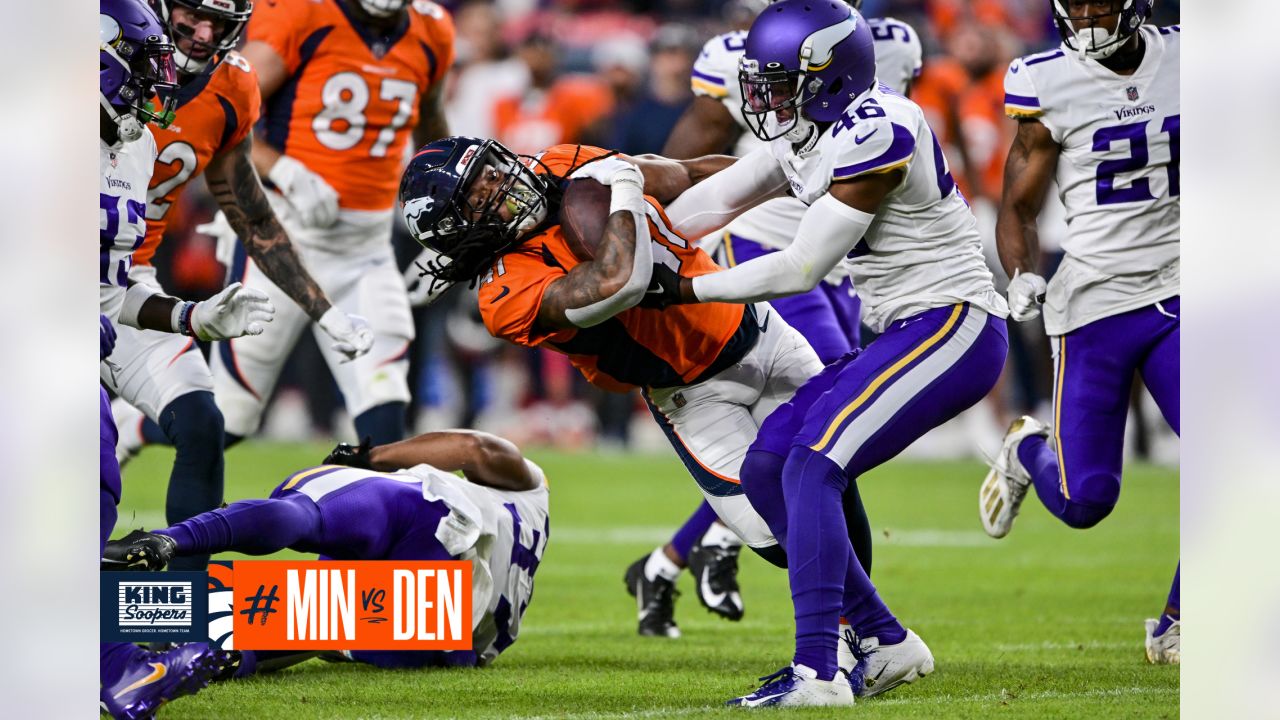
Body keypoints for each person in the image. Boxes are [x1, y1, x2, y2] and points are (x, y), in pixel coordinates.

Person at [397, 137, 925, 697]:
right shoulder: (503, 292)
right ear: (458, 232)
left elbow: (693, 173)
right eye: (477, 192)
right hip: (691, 397)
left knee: (826, 477)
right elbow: (616, 282)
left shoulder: (560, 165)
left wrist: (815, 196)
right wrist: (624, 187)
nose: (498, 183)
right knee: (773, 531)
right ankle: (872, 633)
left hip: (760, 331)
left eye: (489, 169)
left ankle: (860, 636)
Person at [645, 0, 1010, 705]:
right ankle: (888, 643)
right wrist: (623, 237)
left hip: (953, 324)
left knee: (815, 465)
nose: (767, 99)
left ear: (830, 77)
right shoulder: (808, 133)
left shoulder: (880, 126)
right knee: (768, 464)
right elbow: (709, 202)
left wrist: (678, 288)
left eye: (781, 83)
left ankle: (819, 669)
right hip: (907, 328)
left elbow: (800, 267)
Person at [633, 0, 925, 634]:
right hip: (763, 246)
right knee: (816, 433)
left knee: (815, 436)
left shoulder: (887, 55)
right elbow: (693, 170)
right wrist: (643, 242)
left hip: (839, 254)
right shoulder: (739, 58)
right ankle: (854, 629)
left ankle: (671, 558)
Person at [108, 0, 372, 571]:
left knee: (202, 421)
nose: (203, 36)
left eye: (220, 25)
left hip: (125, 285)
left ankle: (180, 605)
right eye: (191, 18)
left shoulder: (229, 90)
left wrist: (323, 312)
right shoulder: (103, 64)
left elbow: (252, 218)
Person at [977, 0, 1179, 665]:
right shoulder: (1046, 79)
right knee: (1086, 499)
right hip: (1096, 303)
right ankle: (1028, 450)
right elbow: (1018, 204)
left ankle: (1178, 622)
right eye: (1078, 3)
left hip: (1185, 288)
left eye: (1101, 1)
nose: (1089, 16)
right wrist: (1019, 272)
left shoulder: (1190, 55)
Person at [206, 0, 456, 446]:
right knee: (230, 419)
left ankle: (366, 515)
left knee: (385, 416)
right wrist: (280, 167)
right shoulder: (304, 13)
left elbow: (432, 130)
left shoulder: (431, 29)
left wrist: (450, 228)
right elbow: (219, 113)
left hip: (368, 249)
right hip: (283, 240)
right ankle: (131, 428)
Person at [105, 429, 549, 670]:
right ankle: (220, 650)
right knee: (321, 623)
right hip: (440, 625)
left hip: (430, 510)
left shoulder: (528, 489)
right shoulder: (527, 540)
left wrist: (367, 457)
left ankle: (165, 541)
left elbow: (476, 448)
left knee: (304, 513)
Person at [98, 1, 236, 715]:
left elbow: (106, 287)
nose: (154, 83)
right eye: (138, 62)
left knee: (185, 428)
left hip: (113, 304)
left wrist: (192, 315)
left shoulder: (133, 143)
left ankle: (158, 632)